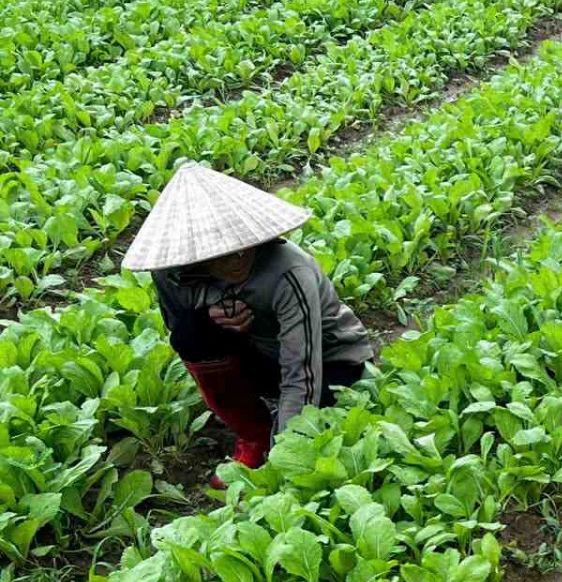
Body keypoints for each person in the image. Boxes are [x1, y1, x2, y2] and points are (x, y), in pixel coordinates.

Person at [124, 162, 378, 474]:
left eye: (243, 247)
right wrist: (218, 315)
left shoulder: (289, 271)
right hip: (262, 352)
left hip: (330, 361)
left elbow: (302, 370)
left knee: (326, 432)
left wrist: (286, 453)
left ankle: (277, 436)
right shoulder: (171, 276)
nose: (238, 259)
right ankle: (254, 434)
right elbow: (180, 336)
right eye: (223, 253)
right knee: (191, 333)